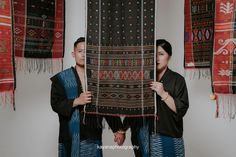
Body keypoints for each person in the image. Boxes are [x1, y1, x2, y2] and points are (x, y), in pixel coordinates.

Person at [50, 37, 125, 157]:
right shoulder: (61, 79)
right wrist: (77, 101)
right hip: (69, 136)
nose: (84, 55)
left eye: (88, 52)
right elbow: (56, 104)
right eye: (80, 51)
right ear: (73, 54)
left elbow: (107, 105)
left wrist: (119, 129)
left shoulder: (99, 80)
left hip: (92, 136)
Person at [148, 39, 189, 156]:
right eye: (154, 54)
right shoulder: (145, 79)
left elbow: (181, 109)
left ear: (169, 57)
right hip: (146, 137)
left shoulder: (178, 80)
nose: (157, 58)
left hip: (169, 136)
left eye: (161, 54)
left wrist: (163, 93)